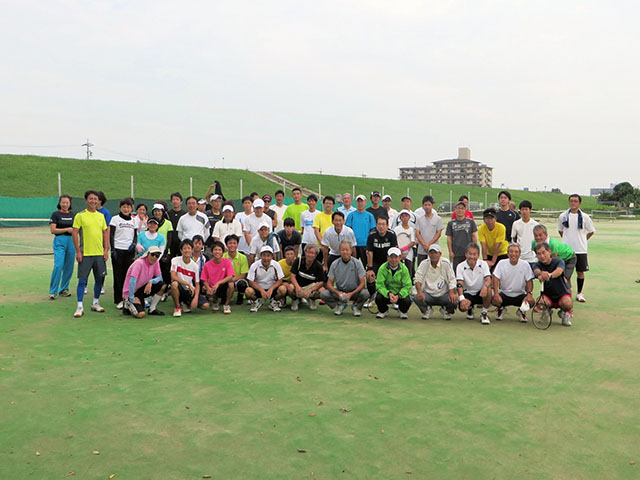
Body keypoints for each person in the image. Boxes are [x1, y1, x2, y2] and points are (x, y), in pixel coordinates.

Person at [71, 190, 110, 318]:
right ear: (86, 200)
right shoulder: (80, 216)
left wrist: (105, 250)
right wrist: (78, 251)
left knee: (99, 280)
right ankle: (79, 306)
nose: (93, 201)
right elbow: (75, 233)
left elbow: (105, 232)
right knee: (82, 281)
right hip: (85, 254)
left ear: (98, 201)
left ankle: (95, 303)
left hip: (99, 254)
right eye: (91, 199)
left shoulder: (101, 216)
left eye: (95, 199)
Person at [557, 194, 596, 302]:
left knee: (580, 272)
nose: (573, 203)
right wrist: (566, 240)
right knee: (564, 272)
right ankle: (564, 292)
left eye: (575, 201)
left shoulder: (585, 217)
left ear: (579, 203)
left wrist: (583, 239)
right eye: (571, 201)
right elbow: (560, 230)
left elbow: (591, 231)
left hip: (580, 249)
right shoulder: (563, 216)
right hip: (566, 250)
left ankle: (579, 293)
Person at [320, 241, 369, 316]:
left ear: (351, 251)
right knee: (323, 294)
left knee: (365, 293)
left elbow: (362, 283)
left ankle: (356, 306)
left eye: (347, 250)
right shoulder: (335, 264)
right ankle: (340, 305)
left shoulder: (357, 263)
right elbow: (329, 283)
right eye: (343, 250)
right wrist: (338, 293)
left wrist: (351, 294)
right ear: (340, 251)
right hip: (340, 292)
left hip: (354, 292)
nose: (345, 252)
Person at [532, 242, 574, 326]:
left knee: (568, 303)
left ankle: (564, 313)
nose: (542, 256)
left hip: (562, 295)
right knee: (539, 302)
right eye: (539, 254)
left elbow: (559, 271)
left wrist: (549, 275)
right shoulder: (536, 264)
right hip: (547, 296)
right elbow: (536, 271)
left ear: (549, 252)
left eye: (543, 252)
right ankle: (546, 311)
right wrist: (541, 274)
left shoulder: (559, 261)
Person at [492, 244, 535, 323]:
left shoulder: (525, 264)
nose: (513, 254)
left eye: (516, 252)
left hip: (520, 295)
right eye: (511, 251)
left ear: (519, 254)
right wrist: (496, 293)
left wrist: (529, 294)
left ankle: (521, 311)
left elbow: (529, 281)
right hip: (504, 294)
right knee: (494, 299)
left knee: (531, 301)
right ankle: (501, 309)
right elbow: (495, 278)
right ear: (508, 253)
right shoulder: (501, 263)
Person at [413, 244, 457, 320]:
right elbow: (418, 278)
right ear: (428, 254)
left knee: (455, 299)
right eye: (431, 253)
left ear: (440, 254)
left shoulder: (446, 263)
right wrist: (419, 292)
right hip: (428, 294)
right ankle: (427, 310)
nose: (433, 255)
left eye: (435, 253)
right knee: (416, 297)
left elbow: (452, 279)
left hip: (443, 294)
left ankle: (446, 310)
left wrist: (451, 293)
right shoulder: (424, 263)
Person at [110, 197, 139, 309]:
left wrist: (134, 244)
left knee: (129, 275)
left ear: (131, 208)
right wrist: (113, 249)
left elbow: (135, 235)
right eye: (124, 207)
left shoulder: (134, 220)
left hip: (129, 251)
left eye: (128, 207)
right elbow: (111, 235)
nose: (126, 209)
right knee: (118, 275)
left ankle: (127, 297)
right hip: (118, 250)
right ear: (120, 207)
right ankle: (119, 299)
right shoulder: (115, 219)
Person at [122, 246, 166, 318]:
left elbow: (159, 277)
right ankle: (127, 303)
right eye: (152, 254)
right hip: (131, 292)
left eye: (157, 256)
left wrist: (151, 281)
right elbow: (132, 281)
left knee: (162, 285)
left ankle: (152, 309)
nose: (154, 257)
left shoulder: (156, 262)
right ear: (148, 254)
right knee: (141, 314)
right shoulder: (139, 263)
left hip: (142, 289)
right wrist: (132, 298)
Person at [456, 243, 492, 324]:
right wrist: (462, 299)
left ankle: (484, 313)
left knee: (489, 289)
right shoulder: (460, 266)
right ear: (466, 254)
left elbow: (488, 279)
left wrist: (485, 286)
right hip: (468, 293)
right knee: (462, 307)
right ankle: (469, 308)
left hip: (481, 293)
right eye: (470, 254)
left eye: (474, 254)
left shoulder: (483, 264)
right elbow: (459, 284)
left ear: (478, 255)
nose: (472, 257)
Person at [532, 224, 577, 289]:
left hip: (569, 257)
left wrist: (549, 274)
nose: (538, 237)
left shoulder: (552, 244)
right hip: (559, 258)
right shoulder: (534, 243)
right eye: (536, 235)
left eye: (540, 235)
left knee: (564, 279)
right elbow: (538, 257)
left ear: (546, 235)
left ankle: (567, 293)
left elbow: (554, 261)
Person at [49, 195, 76, 300]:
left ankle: (64, 289)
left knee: (69, 266)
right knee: (58, 265)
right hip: (60, 241)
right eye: (63, 202)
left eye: (67, 202)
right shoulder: (55, 214)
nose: (65, 204)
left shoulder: (73, 215)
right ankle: (53, 291)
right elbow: (53, 230)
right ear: (60, 203)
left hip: (71, 242)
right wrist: (66, 229)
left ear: (70, 204)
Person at [245, 245, 287, 312]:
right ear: (261, 256)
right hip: (258, 289)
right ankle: (256, 303)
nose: (266, 258)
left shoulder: (276, 264)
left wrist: (271, 289)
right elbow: (250, 281)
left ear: (272, 256)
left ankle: (274, 303)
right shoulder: (254, 265)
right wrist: (261, 290)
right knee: (248, 291)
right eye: (264, 255)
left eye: (268, 255)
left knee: (283, 289)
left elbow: (280, 280)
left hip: (272, 289)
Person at [374, 247, 412, 319]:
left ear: (400, 258)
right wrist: (388, 293)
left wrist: (399, 295)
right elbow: (379, 285)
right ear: (387, 258)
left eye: (396, 257)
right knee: (378, 298)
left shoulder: (404, 269)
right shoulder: (382, 268)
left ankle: (402, 311)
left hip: (399, 294)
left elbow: (407, 286)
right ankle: (383, 311)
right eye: (391, 257)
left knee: (407, 300)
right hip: (387, 293)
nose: (393, 260)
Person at [170, 238, 205, 317]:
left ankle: (186, 303)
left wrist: (196, 298)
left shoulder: (195, 266)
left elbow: (197, 284)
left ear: (192, 250)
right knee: (174, 284)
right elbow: (173, 276)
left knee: (205, 306)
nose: (187, 250)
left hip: (189, 290)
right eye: (184, 248)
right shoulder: (175, 260)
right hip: (179, 287)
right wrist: (187, 284)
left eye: (189, 248)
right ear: (181, 250)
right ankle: (178, 307)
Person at [366, 216, 398, 298]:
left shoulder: (392, 234)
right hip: (375, 261)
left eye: (383, 224)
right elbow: (369, 252)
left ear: (387, 226)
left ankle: (393, 296)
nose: (381, 226)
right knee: (369, 276)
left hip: (388, 261)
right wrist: (370, 268)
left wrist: (392, 265)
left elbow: (394, 252)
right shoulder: (371, 235)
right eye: (379, 224)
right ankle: (372, 297)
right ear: (376, 225)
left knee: (394, 276)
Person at [290, 244, 326, 311]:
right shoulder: (298, 261)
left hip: (310, 286)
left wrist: (310, 290)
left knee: (322, 291)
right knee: (290, 287)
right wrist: (297, 287)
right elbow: (292, 276)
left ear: (315, 255)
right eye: (308, 252)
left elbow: (321, 281)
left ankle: (311, 299)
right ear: (305, 252)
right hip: (298, 285)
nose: (310, 255)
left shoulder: (318, 265)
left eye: (312, 253)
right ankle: (296, 300)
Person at [201, 241, 235, 314]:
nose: (217, 252)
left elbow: (230, 276)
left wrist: (218, 283)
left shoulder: (227, 261)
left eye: (219, 250)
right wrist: (208, 288)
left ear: (223, 252)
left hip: (223, 286)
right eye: (215, 250)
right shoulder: (207, 265)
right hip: (213, 287)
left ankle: (226, 304)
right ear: (212, 252)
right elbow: (204, 279)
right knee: (209, 295)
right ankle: (215, 302)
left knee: (231, 284)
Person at [446, 200, 478, 272]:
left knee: (469, 271)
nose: (460, 210)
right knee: (457, 271)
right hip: (456, 253)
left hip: (469, 252)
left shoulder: (470, 222)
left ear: (465, 210)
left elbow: (474, 236)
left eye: (462, 208)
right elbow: (449, 238)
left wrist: (475, 250)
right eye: (458, 208)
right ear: (455, 210)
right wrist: (450, 251)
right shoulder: (451, 223)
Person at [345, 194, 376, 264]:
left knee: (365, 265)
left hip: (366, 245)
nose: (360, 203)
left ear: (365, 202)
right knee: (353, 265)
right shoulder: (351, 215)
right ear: (356, 203)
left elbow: (373, 230)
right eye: (358, 201)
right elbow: (347, 230)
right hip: (354, 245)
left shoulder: (370, 216)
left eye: (362, 201)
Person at [415, 195, 444, 265]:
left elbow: (438, 233)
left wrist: (429, 245)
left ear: (432, 206)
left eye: (429, 205)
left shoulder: (438, 219)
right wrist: (424, 244)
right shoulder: (419, 219)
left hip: (434, 250)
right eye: (425, 205)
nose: (427, 207)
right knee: (421, 267)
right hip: (422, 250)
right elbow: (417, 233)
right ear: (422, 206)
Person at [478, 207, 508, 272]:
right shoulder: (481, 229)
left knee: (500, 272)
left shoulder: (501, 227)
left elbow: (497, 246)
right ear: (484, 220)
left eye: (491, 218)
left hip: (502, 253)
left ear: (495, 219)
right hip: (489, 253)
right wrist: (485, 260)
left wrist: (493, 262)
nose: (489, 220)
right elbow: (483, 246)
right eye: (487, 218)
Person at [223, 234, 249, 305]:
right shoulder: (223, 257)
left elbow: (243, 274)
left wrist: (233, 280)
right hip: (226, 280)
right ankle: (224, 297)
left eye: (234, 243)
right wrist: (228, 280)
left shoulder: (243, 257)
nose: (232, 245)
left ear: (237, 244)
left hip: (237, 280)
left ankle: (240, 297)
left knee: (242, 284)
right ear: (226, 245)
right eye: (230, 243)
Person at [392, 209, 416, 277]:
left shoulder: (411, 229)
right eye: (403, 216)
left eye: (406, 216)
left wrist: (404, 249)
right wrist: (399, 251)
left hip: (409, 254)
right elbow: (394, 241)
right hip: (398, 253)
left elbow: (412, 242)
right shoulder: (396, 229)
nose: (404, 218)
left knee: (409, 270)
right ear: (400, 218)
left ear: (409, 217)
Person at [313, 196, 335, 261]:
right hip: (321, 246)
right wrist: (322, 243)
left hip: (333, 247)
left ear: (333, 205)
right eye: (326, 203)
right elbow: (316, 230)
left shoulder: (335, 216)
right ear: (323, 204)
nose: (328, 205)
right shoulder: (318, 216)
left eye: (330, 203)